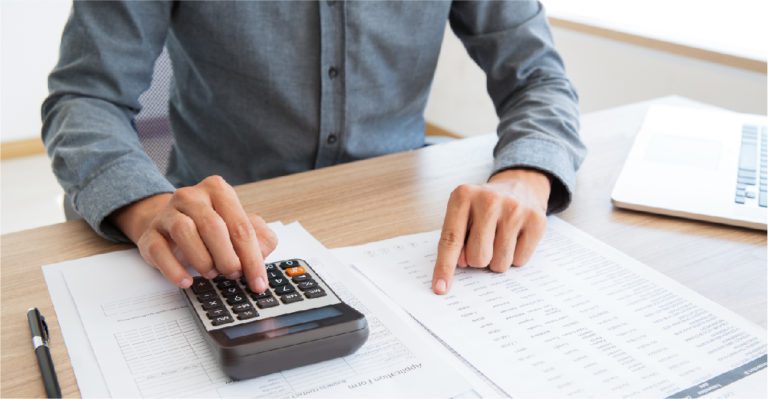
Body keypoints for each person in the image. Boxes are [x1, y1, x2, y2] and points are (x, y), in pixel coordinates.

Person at [42, 1, 586, 296]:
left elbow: (538, 79)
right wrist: (146, 207)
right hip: (218, 232)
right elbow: (85, 97)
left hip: (398, 228)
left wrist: (526, 174)